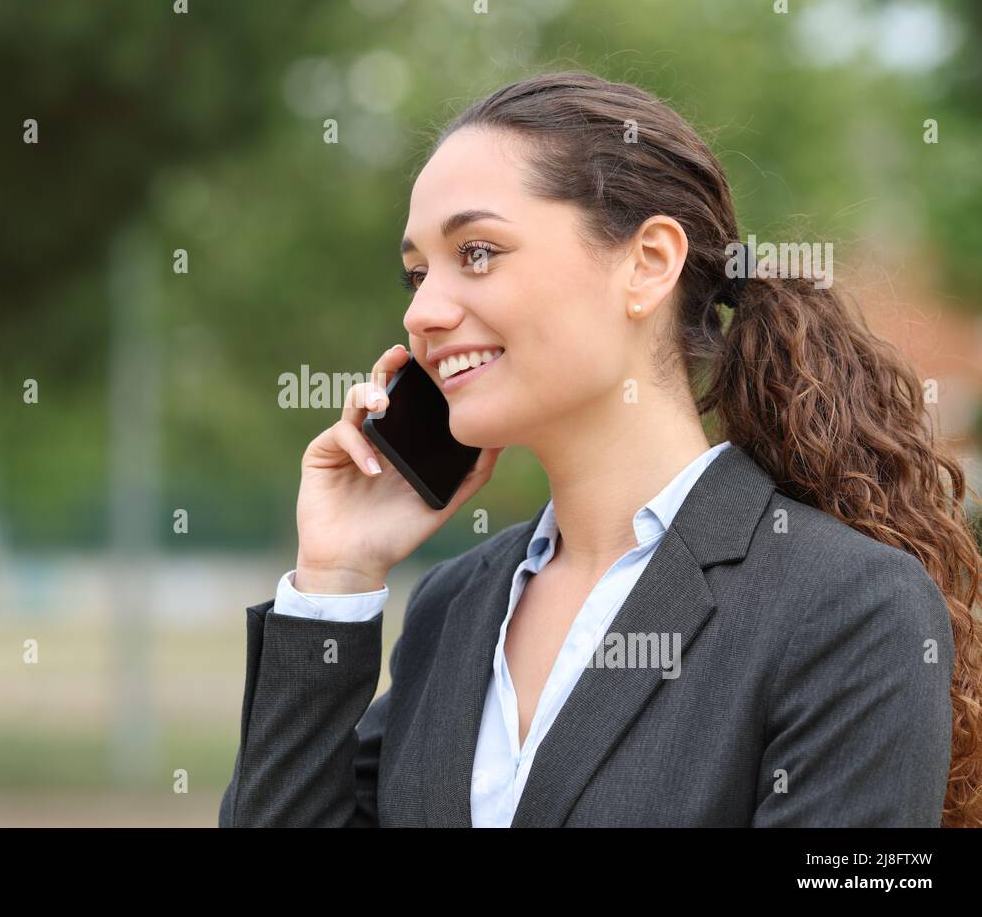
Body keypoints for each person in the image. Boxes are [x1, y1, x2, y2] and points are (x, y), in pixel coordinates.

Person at [218, 70, 982, 827]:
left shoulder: (847, 607)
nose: (423, 311)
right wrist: (336, 578)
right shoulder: (454, 608)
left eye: (477, 252)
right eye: (416, 273)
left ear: (648, 263)